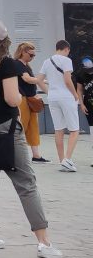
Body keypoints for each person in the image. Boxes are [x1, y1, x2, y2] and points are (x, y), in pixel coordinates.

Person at [0, 18, 63, 258]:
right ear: (4, 40)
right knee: (26, 185)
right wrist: (19, 96)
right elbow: (11, 99)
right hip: (6, 132)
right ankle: (43, 242)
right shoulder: (6, 64)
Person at [35, 41, 87, 172]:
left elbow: (39, 80)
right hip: (66, 97)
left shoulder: (47, 61)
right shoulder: (66, 60)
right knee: (74, 129)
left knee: (59, 129)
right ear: (67, 49)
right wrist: (75, 94)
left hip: (53, 98)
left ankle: (62, 160)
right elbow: (67, 80)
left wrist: (49, 91)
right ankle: (68, 160)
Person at [12, 42, 48, 163]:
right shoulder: (17, 64)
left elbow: (32, 81)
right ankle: (16, 154)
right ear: (23, 52)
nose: (32, 57)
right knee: (22, 125)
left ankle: (36, 155)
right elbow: (27, 79)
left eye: (34, 55)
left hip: (30, 99)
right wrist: (42, 79)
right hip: (22, 99)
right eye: (31, 55)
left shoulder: (26, 65)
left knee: (33, 126)